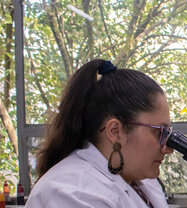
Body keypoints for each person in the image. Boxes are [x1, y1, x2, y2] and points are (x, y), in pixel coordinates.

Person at [26, 59, 174, 208]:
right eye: (159, 132)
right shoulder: (72, 194)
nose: (168, 148)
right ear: (115, 131)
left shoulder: (142, 181)